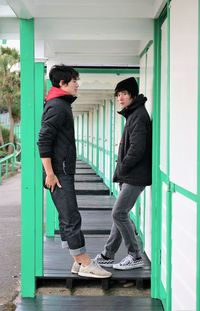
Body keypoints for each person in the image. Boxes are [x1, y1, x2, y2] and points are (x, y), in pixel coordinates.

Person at [37, 64, 111, 278]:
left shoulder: (58, 104)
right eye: (74, 81)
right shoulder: (58, 106)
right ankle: (86, 263)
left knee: (66, 215)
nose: (77, 84)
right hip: (58, 174)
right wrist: (50, 173)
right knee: (71, 216)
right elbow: (43, 141)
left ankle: (78, 262)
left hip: (59, 172)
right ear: (62, 83)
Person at [95, 77, 152, 270]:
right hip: (131, 174)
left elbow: (137, 148)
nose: (120, 98)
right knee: (120, 214)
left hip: (135, 176)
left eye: (124, 94)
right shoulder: (133, 114)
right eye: (118, 94)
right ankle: (108, 254)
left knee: (118, 213)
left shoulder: (138, 115)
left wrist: (122, 167)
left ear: (133, 95)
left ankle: (135, 255)